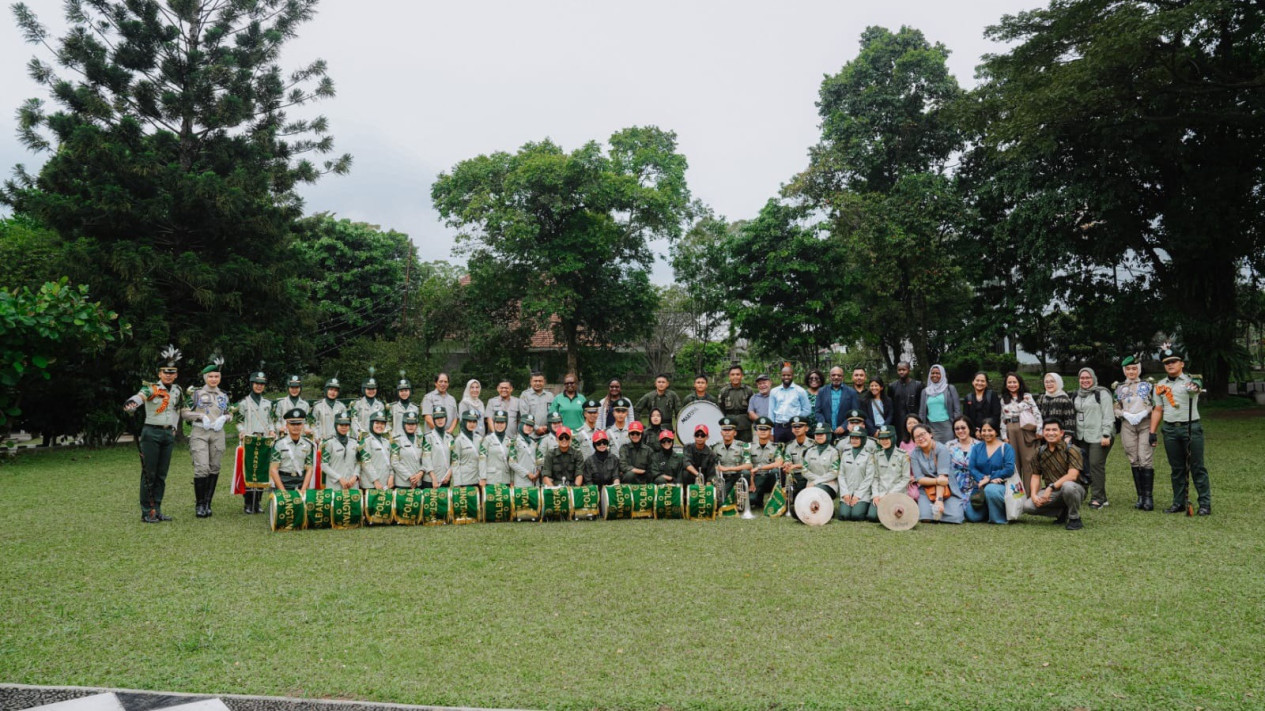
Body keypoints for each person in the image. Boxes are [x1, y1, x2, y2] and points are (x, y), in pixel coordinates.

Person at [123, 345, 185, 523]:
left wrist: (173, 428)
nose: (168, 375)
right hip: (151, 432)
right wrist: (131, 404)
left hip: (167, 434)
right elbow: (139, 397)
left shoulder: (177, 390)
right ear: (159, 374)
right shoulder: (151, 388)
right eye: (165, 372)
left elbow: (177, 410)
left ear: (176, 374)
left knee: (161, 474)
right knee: (149, 473)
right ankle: (146, 511)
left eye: (172, 372)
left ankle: (157, 508)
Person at [1154, 344, 1211, 515]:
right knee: (1177, 468)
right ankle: (1178, 502)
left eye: (1174, 361)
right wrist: (1152, 432)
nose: (1170, 365)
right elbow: (1158, 409)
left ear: (1182, 364)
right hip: (1170, 429)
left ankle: (1205, 504)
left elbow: (1196, 387)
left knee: (1197, 467)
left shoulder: (1190, 381)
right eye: (1167, 363)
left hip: (1190, 427)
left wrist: (1196, 386)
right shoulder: (1160, 385)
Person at [182, 355, 230, 518]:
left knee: (215, 467)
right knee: (202, 468)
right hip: (200, 432)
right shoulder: (196, 394)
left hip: (218, 433)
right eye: (210, 376)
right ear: (205, 377)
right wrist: (200, 416)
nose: (214, 379)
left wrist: (225, 418)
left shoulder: (223, 395)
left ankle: (208, 503)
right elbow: (184, 412)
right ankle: (200, 504)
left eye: (216, 376)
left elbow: (228, 412)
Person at [1024, 419, 1087, 530]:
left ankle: (1074, 518)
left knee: (1068, 486)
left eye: (1054, 430)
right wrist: (1034, 495)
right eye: (1047, 430)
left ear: (1061, 433)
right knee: (1028, 506)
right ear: (1043, 432)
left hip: (1075, 489)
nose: (1051, 433)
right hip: (1053, 492)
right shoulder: (1039, 452)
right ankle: (1061, 512)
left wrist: (1051, 487)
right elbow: (1035, 475)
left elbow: (1072, 476)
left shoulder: (1072, 449)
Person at [1114, 355, 1157, 510]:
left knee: (1145, 457)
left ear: (1138, 369)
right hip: (1128, 425)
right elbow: (1115, 406)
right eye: (1128, 369)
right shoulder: (1119, 387)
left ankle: (1148, 497)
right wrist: (1124, 414)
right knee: (1133, 458)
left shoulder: (1148, 385)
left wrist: (1144, 413)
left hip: (1145, 423)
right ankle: (1140, 496)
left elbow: (1156, 404)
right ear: (1124, 370)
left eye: (1134, 368)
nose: (1131, 371)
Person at [1072, 367, 1114, 509]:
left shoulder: (1102, 393)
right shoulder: (1076, 395)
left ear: (1094, 378)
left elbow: (1108, 415)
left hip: (1099, 435)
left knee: (1096, 464)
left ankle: (1098, 498)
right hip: (1082, 436)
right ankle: (1087, 494)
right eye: (1082, 378)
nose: (1085, 381)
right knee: (1084, 466)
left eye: (1087, 378)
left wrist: (1106, 434)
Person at [234, 367, 274, 515]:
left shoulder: (268, 403)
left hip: (264, 440)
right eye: (256, 383)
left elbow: (271, 420)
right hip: (249, 439)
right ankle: (248, 503)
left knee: (262, 471)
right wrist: (242, 431)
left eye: (262, 384)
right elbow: (238, 421)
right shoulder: (244, 403)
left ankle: (258, 502)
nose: (259, 386)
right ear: (251, 384)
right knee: (249, 471)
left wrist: (272, 430)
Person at [910, 423, 964, 523]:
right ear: (914, 441)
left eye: (923, 434)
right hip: (927, 490)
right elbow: (919, 479)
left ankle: (942, 509)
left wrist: (939, 500)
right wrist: (937, 480)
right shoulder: (914, 454)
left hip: (947, 490)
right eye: (917, 437)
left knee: (956, 518)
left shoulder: (941, 449)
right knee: (924, 517)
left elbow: (943, 477)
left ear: (930, 434)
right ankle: (933, 511)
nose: (921, 438)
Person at [965, 419, 1012, 524]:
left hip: (1001, 485)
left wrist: (990, 479)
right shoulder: (977, 448)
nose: (986, 433)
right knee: (971, 516)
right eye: (984, 430)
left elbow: (1009, 469)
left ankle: (999, 518)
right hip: (981, 485)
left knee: (991, 490)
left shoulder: (1006, 447)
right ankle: (989, 510)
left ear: (996, 431)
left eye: (990, 430)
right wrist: (984, 479)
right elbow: (972, 468)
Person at [999, 372, 1042, 481]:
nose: (1012, 384)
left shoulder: (1027, 397)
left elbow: (1036, 413)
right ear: (1006, 384)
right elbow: (1002, 418)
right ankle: (1017, 496)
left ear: (1019, 383)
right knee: (1013, 463)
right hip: (1010, 430)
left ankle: (1029, 494)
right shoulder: (1003, 399)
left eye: (1014, 382)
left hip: (1025, 429)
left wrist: (1039, 429)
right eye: (1009, 382)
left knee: (1028, 461)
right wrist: (1004, 436)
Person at [796, 422, 840, 519]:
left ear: (828, 435)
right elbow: (804, 470)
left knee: (818, 491)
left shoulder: (834, 452)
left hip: (829, 485)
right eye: (817, 434)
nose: (819, 436)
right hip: (810, 485)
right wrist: (815, 481)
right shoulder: (809, 451)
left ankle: (827, 511)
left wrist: (816, 482)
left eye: (821, 434)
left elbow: (834, 473)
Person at [868, 425, 912, 522]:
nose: (884, 441)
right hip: (880, 493)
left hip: (897, 493)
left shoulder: (903, 455)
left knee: (892, 514)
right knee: (872, 516)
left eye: (887, 438)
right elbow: (875, 478)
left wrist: (889, 495)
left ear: (893, 438)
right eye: (882, 439)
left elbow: (905, 478)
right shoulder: (877, 454)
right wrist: (875, 495)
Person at [837, 425, 875, 521]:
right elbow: (841, 475)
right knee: (844, 516)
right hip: (847, 491)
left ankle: (864, 507)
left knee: (856, 516)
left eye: (857, 438)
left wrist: (857, 495)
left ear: (863, 439)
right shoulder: (845, 454)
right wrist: (845, 493)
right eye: (852, 438)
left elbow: (869, 478)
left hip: (862, 493)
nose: (854, 440)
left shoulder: (869, 456)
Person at [271, 408, 314, 492]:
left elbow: (309, 469)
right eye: (292, 424)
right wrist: (283, 491)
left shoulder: (308, 445)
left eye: (298, 424)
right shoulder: (279, 444)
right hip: (283, 481)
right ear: (287, 425)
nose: (296, 427)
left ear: (302, 425)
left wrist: (303, 489)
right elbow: (273, 469)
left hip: (301, 482)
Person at [918, 364, 961, 443]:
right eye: (933, 373)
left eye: (938, 373)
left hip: (948, 427)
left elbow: (957, 409)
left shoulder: (949, 388)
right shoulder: (925, 391)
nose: (935, 375)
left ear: (943, 374)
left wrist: (956, 425)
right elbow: (921, 412)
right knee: (934, 452)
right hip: (931, 427)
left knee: (949, 450)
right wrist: (922, 427)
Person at [817, 366, 861, 442]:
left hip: (846, 433)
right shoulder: (821, 391)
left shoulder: (852, 392)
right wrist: (825, 426)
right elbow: (818, 411)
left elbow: (855, 413)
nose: (836, 377)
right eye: (833, 375)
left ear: (842, 377)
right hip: (826, 433)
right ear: (830, 377)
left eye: (839, 375)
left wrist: (844, 426)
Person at [713, 417, 752, 502]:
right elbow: (712, 464)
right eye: (724, 430)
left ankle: (741, 498)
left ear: (735, 433)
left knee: (746, 473)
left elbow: (748, 465)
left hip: (737, 477)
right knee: (720, 502)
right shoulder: (715, 447)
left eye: (730, 430)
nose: (727, 432)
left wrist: (728, 468)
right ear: (721, 432)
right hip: (723, 479)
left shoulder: (743, 446)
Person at [770, 365, 812, 443]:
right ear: (780, 376)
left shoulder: (800, 391)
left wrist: (795, 417)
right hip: (778, 427)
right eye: (784, 375)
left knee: (794, 450)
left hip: (794, 427)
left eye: (788, 375)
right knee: (778, 451)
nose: (786, 377)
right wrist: (771, 432)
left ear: (793, 375)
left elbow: (807, 410)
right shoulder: (774, 391)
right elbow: (771, 413)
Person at [947, 416, 979, 520]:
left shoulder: (979, 445)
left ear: (969, 428)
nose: (960, 431)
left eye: (963, 427)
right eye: (957, 429)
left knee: (972, 517)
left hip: (973, 486)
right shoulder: (949, 445)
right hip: (954, 486)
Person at [748, 417, 783, 508]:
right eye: (760, 429)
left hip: (769, 478)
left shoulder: (776, 447)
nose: (763, 431)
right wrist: (751, 481)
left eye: (766, 429)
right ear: (756, 431)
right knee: (751, 500)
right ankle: (758, 499)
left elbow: (779, 463)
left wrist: (760, 468)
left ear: (770, 431)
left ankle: (775, 498)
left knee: (776, 471)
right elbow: (747, 465)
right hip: (755, 479)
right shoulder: (749, 447)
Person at [319, 414, 360, 490]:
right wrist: (339, 478)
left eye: (346, 425)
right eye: (341, 425)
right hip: (334, 485)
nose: (344, 427)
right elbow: (324, 465)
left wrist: (355, 476)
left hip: (352, 484)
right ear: (336, 425)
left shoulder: (354, 442)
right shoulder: (328, 443)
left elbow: (358, 462)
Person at [780, 415, 813, 504]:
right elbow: (787, 458)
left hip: (808, 476)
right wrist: (787, 464)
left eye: (800, 426)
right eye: (794, 427)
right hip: (794, 476)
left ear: (806, 428)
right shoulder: (789, 445)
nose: (797, 429)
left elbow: (812, 463)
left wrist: (795, 466)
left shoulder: (813, 444)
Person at [889, 362, 924, 445]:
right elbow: (890, 404)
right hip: (899, 422)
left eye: (904, 370)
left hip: (914, 420)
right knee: (901, 443)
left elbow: (921, 404)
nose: (901, 372)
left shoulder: (918, 385)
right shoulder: (892, 386)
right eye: (899, 370)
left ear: (909, 370)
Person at [717, 365, 754, 442]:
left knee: (746, 447)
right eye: (732, 375)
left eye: (738, 374)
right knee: (730, 447)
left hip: (745, 424)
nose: (735, 377)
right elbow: (721, 409)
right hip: (729, 424)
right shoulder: (724, 391)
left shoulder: (748, 390)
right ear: (729, 376)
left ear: (742, 376)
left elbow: (752, 408)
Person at [390, 412, 427, 488]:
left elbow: (426, 458)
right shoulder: (397, 440)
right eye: (408, 424)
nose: (411, 426)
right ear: (404, 424)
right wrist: (410, 477)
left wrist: (421, 473)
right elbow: (395, 462)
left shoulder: (421, 439)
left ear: (416, 425)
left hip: (418, 482)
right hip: (402, 483)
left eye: (413, 424)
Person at [357, 412, 392, 490]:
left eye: (382, 423)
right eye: (377, 423)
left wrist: (392, 475)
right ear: (371, 424)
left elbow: (390, 461)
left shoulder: (386, 441)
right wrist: (375, 481)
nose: (380, 426)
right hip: (371, 485)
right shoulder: (365, 441)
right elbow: (366, 463)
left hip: (385, 483)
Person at [1035, 373, 1075, 441]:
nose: (1049, 384)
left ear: (1058, 382)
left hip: (1059, 438)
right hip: (1043, 437)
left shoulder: (1065, 400)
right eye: (1046, 382)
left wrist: (1068, 437)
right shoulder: (1041, 398)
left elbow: (1070, 421)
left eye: (1052, 381)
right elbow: (1036, 415)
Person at [479, 410, 514, 487]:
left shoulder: (510, 441)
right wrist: (482, 477)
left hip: (505, 479)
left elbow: (512, 462)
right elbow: (482, 459)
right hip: (491, 479)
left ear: (506, 424)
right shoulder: (487, 439)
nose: (499, 425)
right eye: (497, 422)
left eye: (502, 423)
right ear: (494, 423)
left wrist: (512, 480)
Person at [451, 410, 485, 488]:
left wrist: (483, 478)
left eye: (474, 422)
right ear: (464, 422)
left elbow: (483, 460)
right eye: (469, 421)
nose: (472, 424)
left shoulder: (479, 438)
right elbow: (455, 463)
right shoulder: (458, 440)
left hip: (478, 480)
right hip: (464, 482)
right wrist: (457, 484)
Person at [421, 408, 454, 487]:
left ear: (446, 418)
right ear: (433, 420)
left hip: (445, 479)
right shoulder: (428, 437)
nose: (440, 420)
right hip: (430, 480)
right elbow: (426, 459)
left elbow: (454, 458)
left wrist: (449, 474)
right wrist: (433, 478)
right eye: (437, 418)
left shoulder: (450, 438)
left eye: (442, 417)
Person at [962, 372, 1001, 437]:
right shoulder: (968, 397)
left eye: (982, 381)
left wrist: (984, 430)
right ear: (973, 382)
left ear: (986, 383)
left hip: (990, 431)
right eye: (977, 380)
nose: (979, 383)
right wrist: (975, 430)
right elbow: (966, 418)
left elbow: (996, 415)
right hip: (974, 433)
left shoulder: (992, 395)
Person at [618, 420, 656, 486]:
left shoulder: (649, 450)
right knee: (630, 474)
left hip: (644, 481)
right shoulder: (624, 448)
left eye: (637, 433)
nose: (635, 435)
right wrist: (641, 471)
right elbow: (623, 466)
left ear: (641, 434)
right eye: (632, 433)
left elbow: (652, 468)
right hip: (629, 480)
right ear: (629, 435)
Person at [310, 377, 347, 442]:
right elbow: (313, 425)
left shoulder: (341, 407)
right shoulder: (318, 406)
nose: (333, 392)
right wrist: (317, 437)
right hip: (322, 441)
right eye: (331, 389)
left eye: (336, 390)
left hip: (338, 442)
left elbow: (346, 426)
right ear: (326, 390)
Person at [509, 415, 542, 488]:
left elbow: (540, 459)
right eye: (526, 425)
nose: (529, 428)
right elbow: (512, 463)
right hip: (521, 482)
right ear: (521, 424)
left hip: (535, 482)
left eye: (531, 426)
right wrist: (527, 473)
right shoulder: (514, 441)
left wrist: (538, 472)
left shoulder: (533, 442)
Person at [350, 371, 385, 438]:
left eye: (373, 388)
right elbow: (354, 421)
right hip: (360, 438)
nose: (371, 391)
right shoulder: (357, 404)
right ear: (364, 389)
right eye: (368, 389)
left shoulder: (380, 405)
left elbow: (382, 423)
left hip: (375, 438)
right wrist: (360, 434)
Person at [520, 371, 555, 438]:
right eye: (535, 381)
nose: (538, 383)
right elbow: (524, 415)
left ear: (544, 382)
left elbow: (552, 413)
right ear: (531, 382)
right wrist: (536, 428)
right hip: (530, 434)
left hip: (547, 433)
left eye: (540, 381)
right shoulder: (525, 395)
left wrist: (547, 427)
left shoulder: (550, 396)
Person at [422, 372, 458, 437]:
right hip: (432, 436)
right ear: (435, 383)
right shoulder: (428, 397)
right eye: (440, 381)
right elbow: (427, 417)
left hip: (448, 436)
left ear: (448, 384)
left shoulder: (452, 399)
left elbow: (455, 418)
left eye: (445, 382)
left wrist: (450, 431)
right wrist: (439, 432)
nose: (443, 384)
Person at [390, 374, 420, 439]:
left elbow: (417, 425)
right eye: (401, 391)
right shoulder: (393, 407)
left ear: (410, 391)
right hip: (397, 439)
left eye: (406, 390)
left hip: (411, 439)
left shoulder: (415, 408)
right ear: (398, 392)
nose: (404, 393)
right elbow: (388, 425)